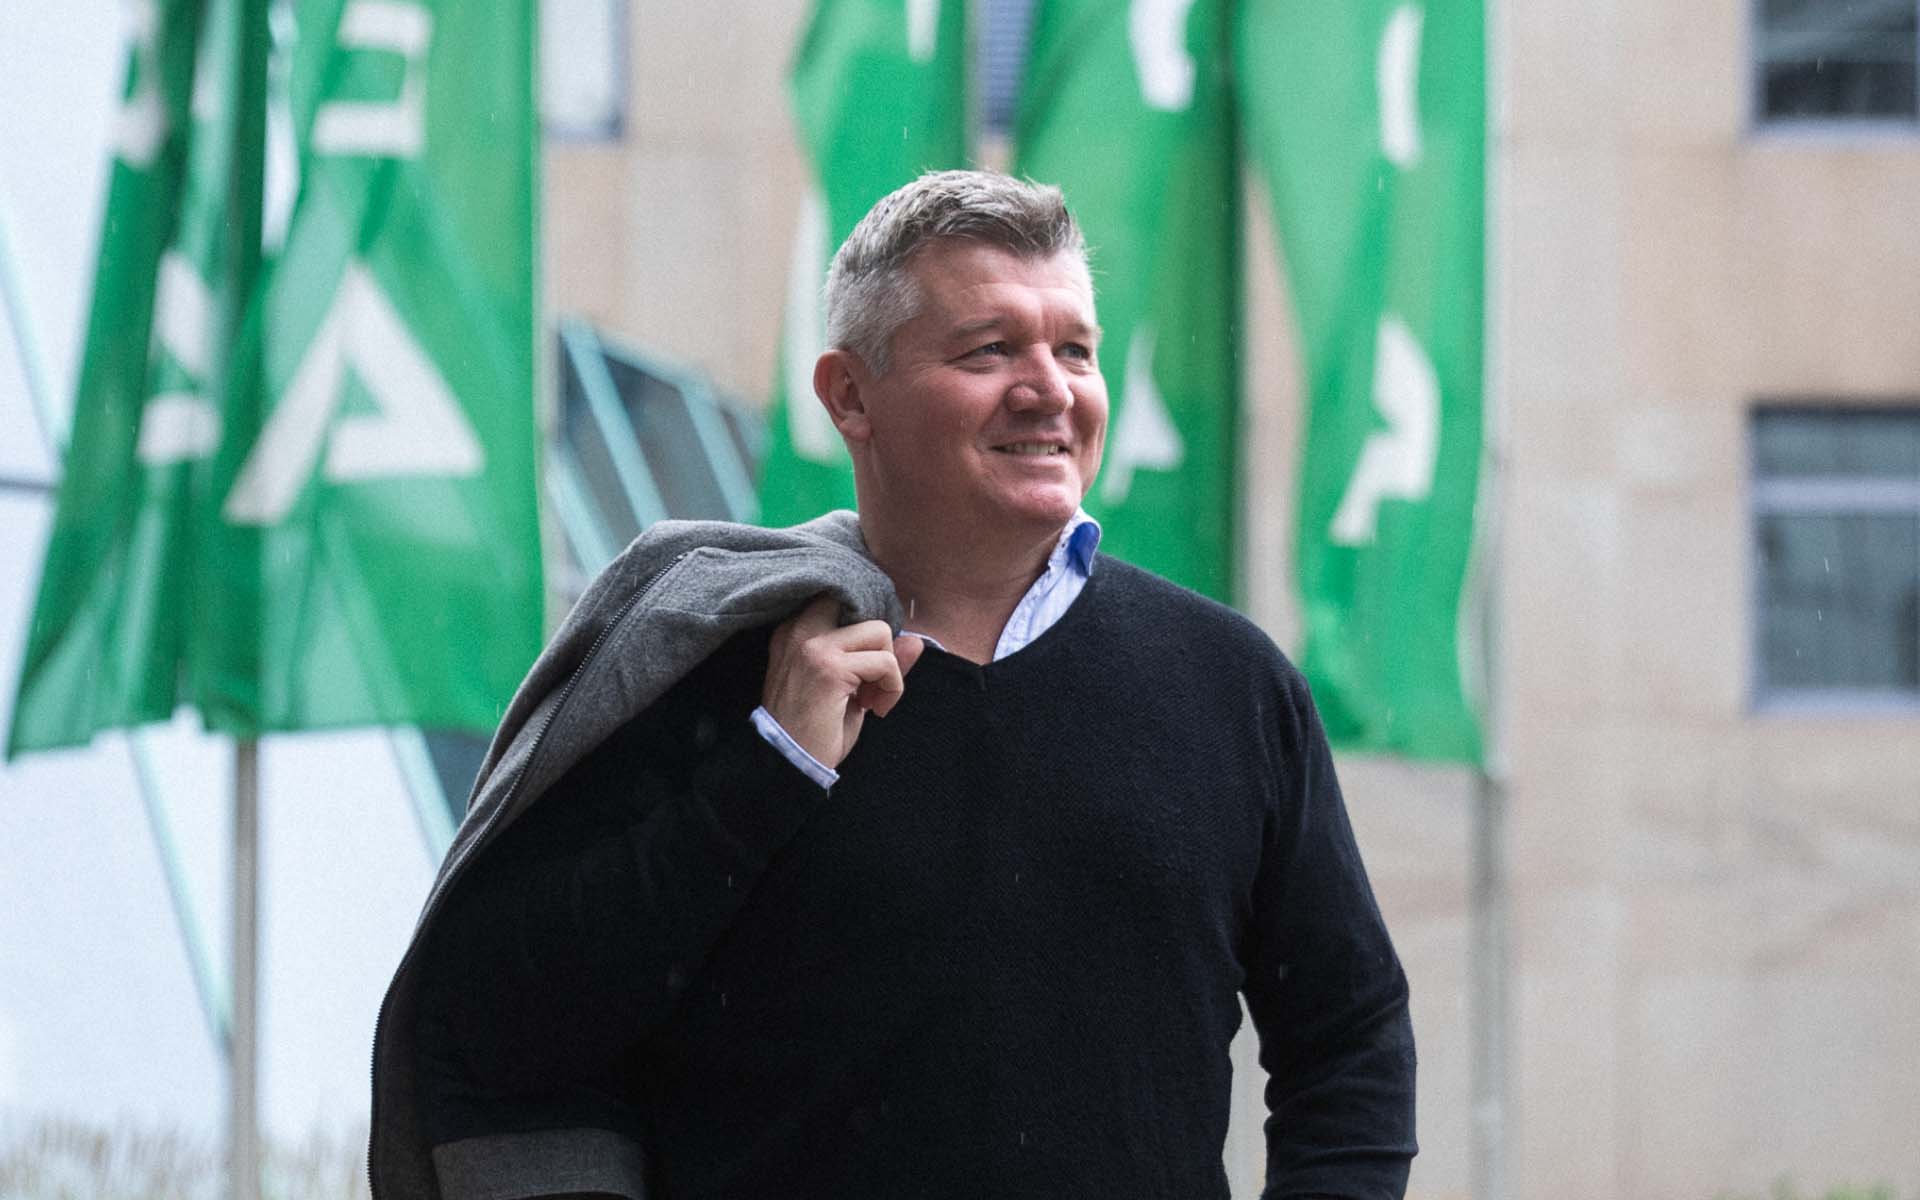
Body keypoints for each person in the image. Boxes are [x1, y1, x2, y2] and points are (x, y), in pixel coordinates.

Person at [370, 170, 1416, 1200]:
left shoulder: (1232, 686)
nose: (1050, 387)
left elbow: (1351, 1038)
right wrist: (763, 774)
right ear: (849, 396)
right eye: (990, 348)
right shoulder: (704, 664)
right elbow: (493, 1032)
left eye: (1076, 349)